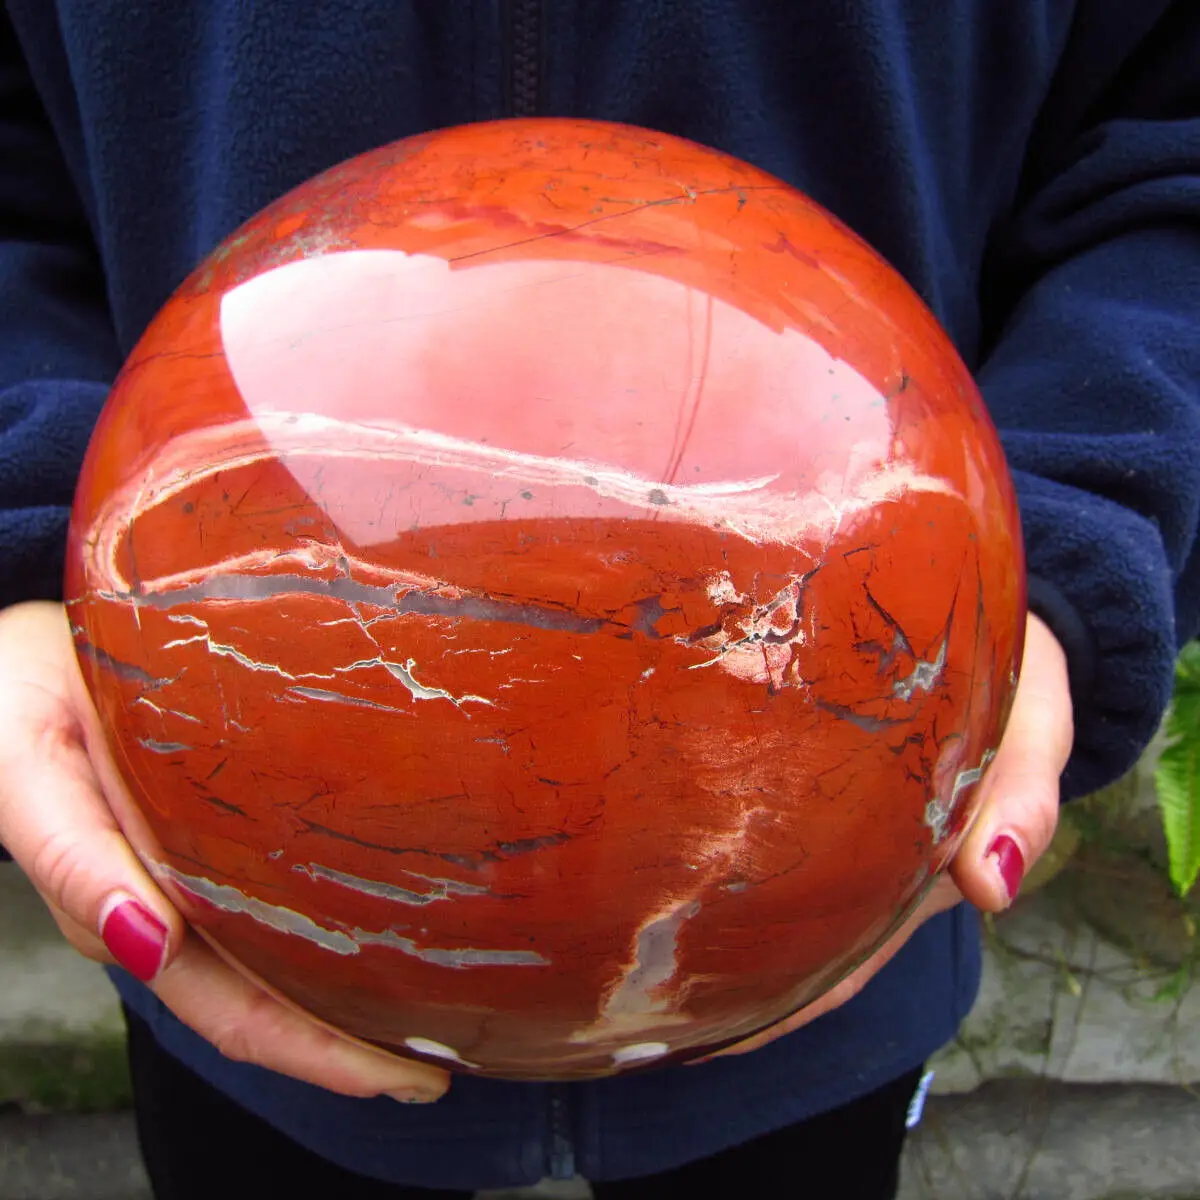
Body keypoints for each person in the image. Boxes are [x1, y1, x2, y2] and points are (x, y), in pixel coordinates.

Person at [0, 2, 1196, 1197]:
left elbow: (1168, 141)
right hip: (231, 861)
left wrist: (1077, 514)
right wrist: (19, 535)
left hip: (832, 871)